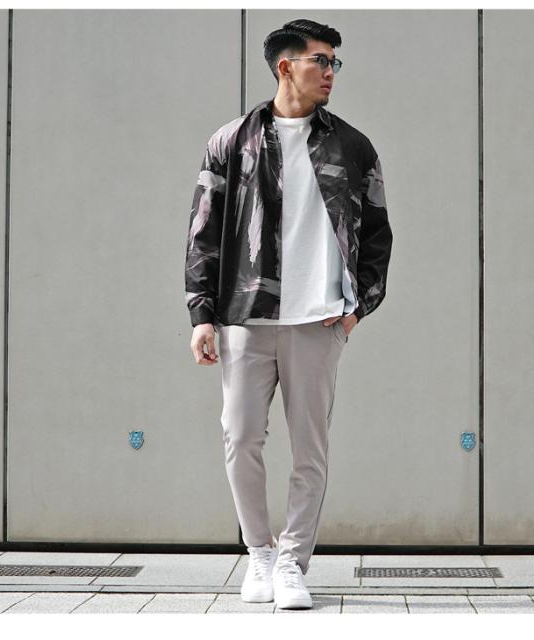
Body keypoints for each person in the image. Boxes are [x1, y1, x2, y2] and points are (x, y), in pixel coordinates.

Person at [184, 18, 393, 610]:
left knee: (310, 450)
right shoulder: (231, 142)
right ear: (286, 66)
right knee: (240, 437)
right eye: (320, 61)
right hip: (246, 316)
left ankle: (293, 563)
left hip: (319, 321)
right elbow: (203, 232)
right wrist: (202, 314)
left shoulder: (353, 146)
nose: (330, 73)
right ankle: (260, 554)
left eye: (334, 63)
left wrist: (357, 309)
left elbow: (377, 234)